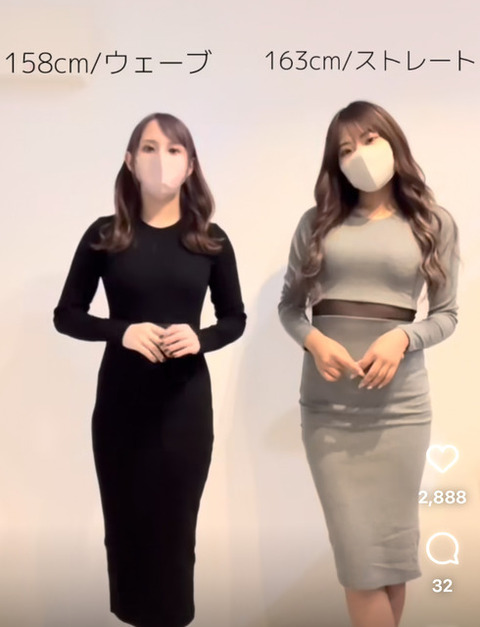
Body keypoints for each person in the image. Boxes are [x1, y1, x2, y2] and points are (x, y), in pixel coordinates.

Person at [53, 112, 246, 627]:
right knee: (127, 531)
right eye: (150, 148)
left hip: (185, 407)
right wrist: (122, 331)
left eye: (174, 150)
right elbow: (66, 315)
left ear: (191, 165)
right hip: (121, 407)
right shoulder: (105, 235)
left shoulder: (210, 240)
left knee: (175, 534)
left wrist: (200, 339)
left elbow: (235, 319)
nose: (162, 160)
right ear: (130, 160)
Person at [278, 101, 459, 627]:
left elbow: (446, 316)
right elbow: (289, 307)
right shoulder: (316, 223)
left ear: (393, 141)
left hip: (400, 412)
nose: (359, 154)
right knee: (359, 566)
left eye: (370, 139)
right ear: (335, 162)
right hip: (329, 413)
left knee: (390, 563)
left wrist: (402, 337)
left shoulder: (433, 222)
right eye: (345, 148)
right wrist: (314, 341)